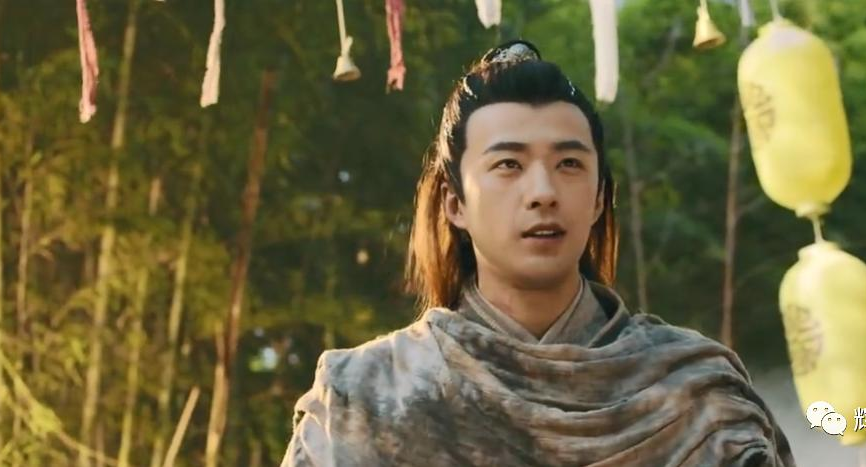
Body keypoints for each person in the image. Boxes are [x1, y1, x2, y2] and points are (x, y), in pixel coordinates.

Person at [281, 40, 795, 467]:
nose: (543, 192)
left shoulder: (701, 398)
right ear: (455, 203)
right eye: (508, 165)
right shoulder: (364, 399)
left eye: (569, 164)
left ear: (599, 199)